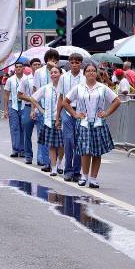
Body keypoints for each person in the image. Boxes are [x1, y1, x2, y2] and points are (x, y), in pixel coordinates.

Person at [62, 63, 122, 188]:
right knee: (85, 151)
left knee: (97, 152)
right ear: (84, 73)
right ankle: (84, 176)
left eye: (93, 70)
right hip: (83, 123)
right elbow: (65, 101)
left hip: (98, 123)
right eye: (88, 71)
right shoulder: (78, 87)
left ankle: (93, 178)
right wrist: (74, 114)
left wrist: (106, 113)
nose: (91, 73)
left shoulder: (102, 88)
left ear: (96, 73)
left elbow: (117, 101)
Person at [28, 65, 64, 177]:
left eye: (56, 72)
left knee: (62, 144)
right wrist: (41, 110)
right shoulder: (46, 87)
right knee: (51, 145)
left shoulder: (65, 88)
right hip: (48, 119)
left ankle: (59, 162)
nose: (53, 74)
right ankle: (53, 168)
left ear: (60, 74)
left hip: (61, 119)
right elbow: (33, 98)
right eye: (52, 73)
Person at [57, 54, 85, 182]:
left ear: (81, 64)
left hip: (81, 111)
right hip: (67, 110)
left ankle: (76, 171)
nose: (74, 64)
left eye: (77, 62)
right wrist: (57, 116)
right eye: (72, 62)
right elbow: (61, 98)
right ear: (69, 63)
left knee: (79, 141)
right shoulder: (63, 78)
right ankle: (68, 170)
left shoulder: (84, 77)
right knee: (68, 140)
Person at [22, 57, 51, 171]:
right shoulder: (26, 79)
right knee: (27, 134)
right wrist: (32, 108)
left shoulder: (46, 77)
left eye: (39, 64)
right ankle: (28, 155)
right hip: (29, 108)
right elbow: (21, 94)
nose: (37, 66)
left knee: (41, 135)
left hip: (41, 109)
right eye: (35, 64)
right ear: (31, 66)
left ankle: (41, 159)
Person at [2, 61, 30, 158]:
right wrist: (5, 109)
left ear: (23, 68)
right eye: (17, 67)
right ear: (15, 69)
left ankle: (22, 149)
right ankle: (15, 149)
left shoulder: (27, 79)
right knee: (14, 127)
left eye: (20, 67)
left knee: (23, 127)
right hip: (12, 104)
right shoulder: (10, 80)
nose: (18, 68)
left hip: (24, 104)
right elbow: (6, 94)